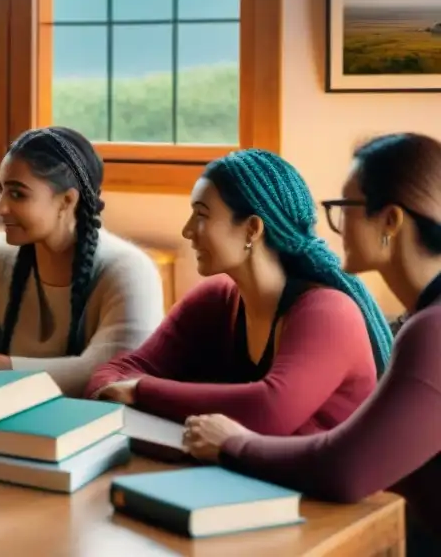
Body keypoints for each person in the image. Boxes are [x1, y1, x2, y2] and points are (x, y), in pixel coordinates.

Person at [184, 134, 441, 555]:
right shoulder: (422, 319)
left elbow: (348, 468)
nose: (333, 224)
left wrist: (233, 443)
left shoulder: (432, 331)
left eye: (346, 208)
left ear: (390, 222)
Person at [86, 148, 391, 436]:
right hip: (249, 478)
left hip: (327, 490)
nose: (187, 230)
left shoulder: (328, 312)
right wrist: (127, 386)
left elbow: (269, 411)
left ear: (252, 229)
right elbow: (114, 374)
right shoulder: (217, 298)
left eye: (201, 215)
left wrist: (140, 391)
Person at [0, 127, 165, 395]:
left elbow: (112, 372)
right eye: (1, 190)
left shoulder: (129, 270)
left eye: (17, 194)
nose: (0, 207)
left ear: (67, 200)